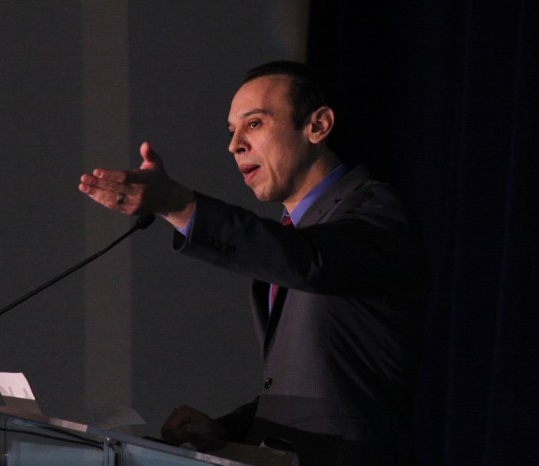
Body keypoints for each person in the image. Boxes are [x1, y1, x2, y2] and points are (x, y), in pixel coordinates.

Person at [78, 61, 428, 465]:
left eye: (255, 124)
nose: (234, 145)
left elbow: (307, 261)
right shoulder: (294, 237)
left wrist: (179, 204)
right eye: (231, 132)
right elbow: (310, 392)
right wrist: (224, 432)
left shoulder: (377, 212)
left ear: (317, 126)